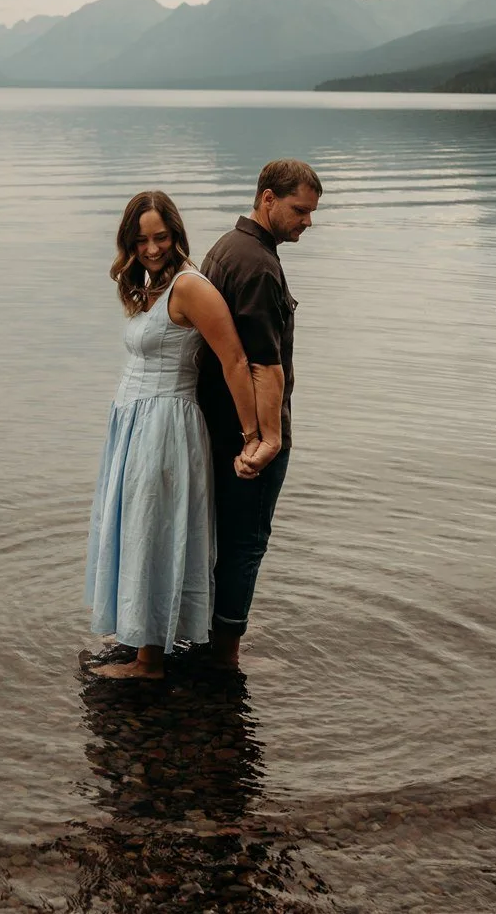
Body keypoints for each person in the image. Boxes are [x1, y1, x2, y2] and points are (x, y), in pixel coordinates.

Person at [85, 191, 266, 681]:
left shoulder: (190, 287)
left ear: (176, 235)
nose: (151, 248)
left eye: (160, 237)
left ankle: (149, 662)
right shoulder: (149, 286)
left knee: (152, 529)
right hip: (133, 423)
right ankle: (140, 630)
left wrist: (253, 435)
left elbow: (234, 360)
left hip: (165, 424)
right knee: (133, 526)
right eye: (141, 240)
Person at [197, 158, 322, 669]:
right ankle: (226, 655)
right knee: (246, 544)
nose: (307, 222)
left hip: (217, 425)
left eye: (312, 213)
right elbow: (263, 366)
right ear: (267, 198)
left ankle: (208, 635)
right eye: (300, 210)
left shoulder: (228, 248)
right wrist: (266, 439)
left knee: (220, 540)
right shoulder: (259, 266)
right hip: (246, 437)